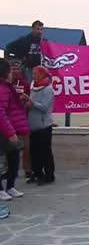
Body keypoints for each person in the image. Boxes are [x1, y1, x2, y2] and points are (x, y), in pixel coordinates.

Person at [0, 59, 30, 201]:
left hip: (12, 126)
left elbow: (13, 109)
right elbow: (1, 112)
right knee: (3, 160)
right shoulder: (2, 88)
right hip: (5, 129)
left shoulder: (8, 87)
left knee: (13, 158)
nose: (13, 73)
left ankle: (10, 186)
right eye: (11, 71)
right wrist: (10, 133)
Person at [22, 66, 56, 187]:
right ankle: (37, 173)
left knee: (45, 151)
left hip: (44, 125)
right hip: (33, 124)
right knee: (34, 151)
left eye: (35, 73)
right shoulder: (33, 86)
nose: (33, 75)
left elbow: (45, 107)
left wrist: (31, 102)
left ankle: (49, 175)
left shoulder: (48, 89)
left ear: (42, 74)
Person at [9, 59, 33, 182]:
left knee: (26, 147)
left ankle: (27, 169)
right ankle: (9, 169)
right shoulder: (5, 84)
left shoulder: (25, 83)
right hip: (9, 120)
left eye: (17, 69)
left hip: (22, 118)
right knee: (10, 147)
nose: (15, 71)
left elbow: (29, 100)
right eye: (13, 69)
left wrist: (26, 102)